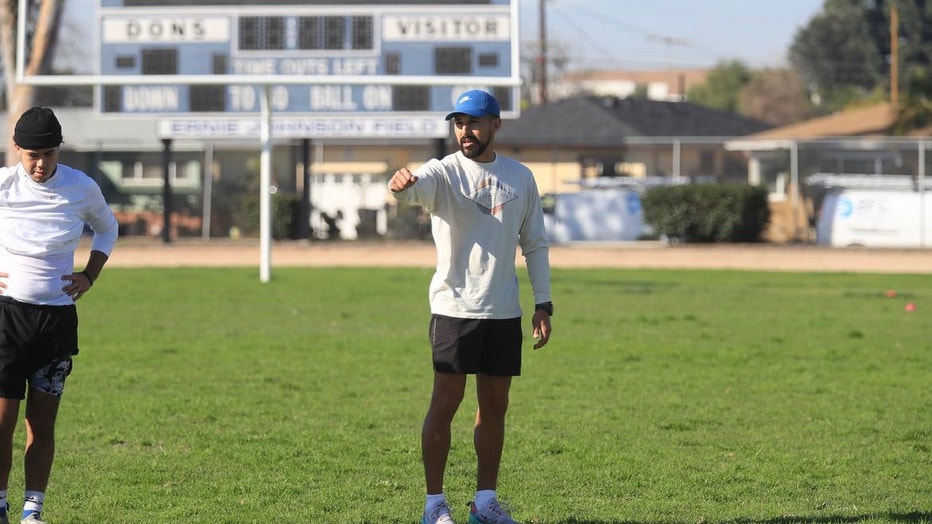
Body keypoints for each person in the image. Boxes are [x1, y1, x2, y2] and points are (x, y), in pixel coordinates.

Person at [388, 90, 553, 524]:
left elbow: (534, 244)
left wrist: (543, 304)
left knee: (494, 407)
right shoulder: (443, 171)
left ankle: (485, 503)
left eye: (474, 122)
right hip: (454, 309)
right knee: (445, 402)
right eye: (459, 122)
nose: (465, 131)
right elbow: (412, 191)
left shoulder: (520, 177)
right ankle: (433, 505)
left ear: (495, 126)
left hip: (503, 312)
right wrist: (399, 184)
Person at [0, 107, 118, 524]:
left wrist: (90, 275)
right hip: (6, 319)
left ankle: (33, 510)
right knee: (1, 421)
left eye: (48, 154)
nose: (39, 164)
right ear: (16, 149)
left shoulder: (80, 187)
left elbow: (107, 227)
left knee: (41, 423)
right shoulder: (3, 186)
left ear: (58, 151)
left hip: (55, 320)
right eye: (31, 154)